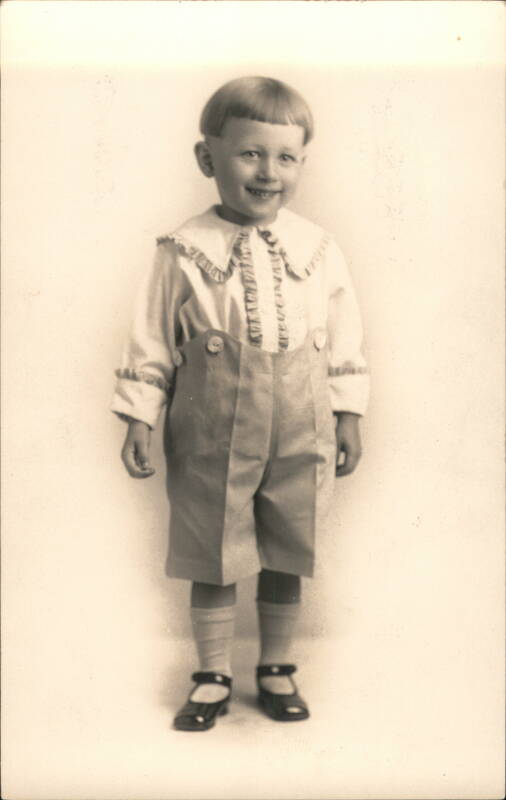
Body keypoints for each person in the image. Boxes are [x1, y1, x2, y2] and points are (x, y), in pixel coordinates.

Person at [111, 76, 369, 731]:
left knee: (289, 541)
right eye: (250, 153)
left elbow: (343, 336)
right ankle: (213, 671)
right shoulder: (181, 250)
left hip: (301, 420)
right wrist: (140, 413)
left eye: (286, 157)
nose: (268, 171)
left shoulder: (319, 247)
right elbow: (151, 339)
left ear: (301, 164)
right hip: (210, 423)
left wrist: (347, 411)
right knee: (215, 544)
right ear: (208, 159)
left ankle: (277, 666)